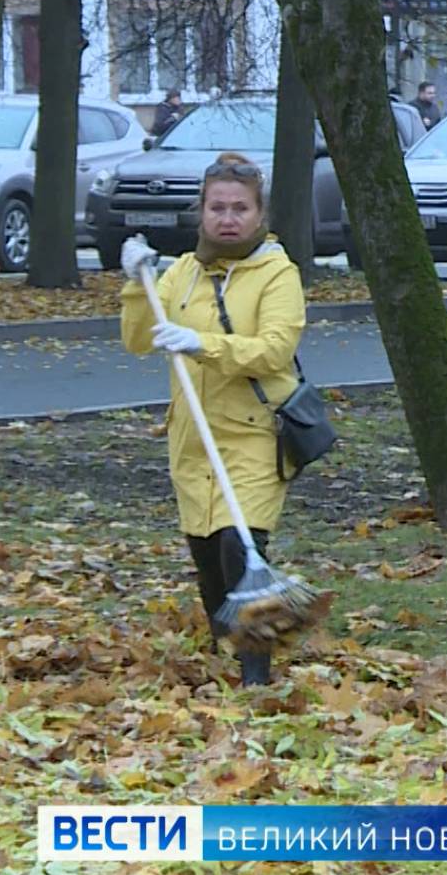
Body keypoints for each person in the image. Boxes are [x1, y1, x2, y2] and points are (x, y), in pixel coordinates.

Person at [118, 156, 306, 687]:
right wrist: (139, 283)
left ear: (259, 213)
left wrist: (203, 344)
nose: (228, 218)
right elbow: (136, 340)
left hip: (255, 436)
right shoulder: (181, 273)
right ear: (200, 213)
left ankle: (255, 677)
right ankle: (233, 649)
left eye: (239, 208)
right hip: (194, 439)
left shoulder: (277, 273)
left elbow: (274, 349)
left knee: (239, 545)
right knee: (208, 559)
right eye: (217, 208)